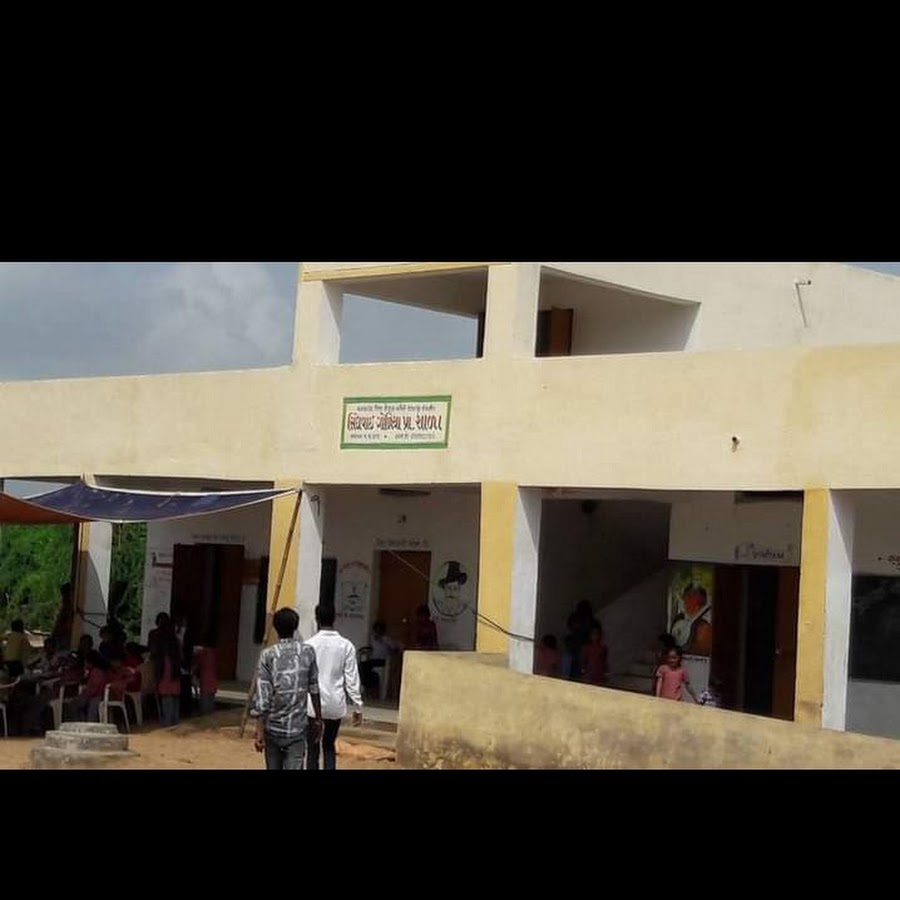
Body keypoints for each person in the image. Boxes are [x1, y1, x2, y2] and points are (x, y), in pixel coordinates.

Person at [251, 607, 323, 771]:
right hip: (297, 729)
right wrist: (318, 719)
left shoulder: (268, 655)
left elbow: (263, 697)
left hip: (273, 729)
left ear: (275, 628)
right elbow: (314, 689)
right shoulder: (307, 652)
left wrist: (259, 730)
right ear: (296, 627)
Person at [305, 604, 363, 770]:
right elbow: (352, 679)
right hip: (335, 704)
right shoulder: (346, 645)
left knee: (312, 748)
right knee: (329, 745)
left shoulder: (309, 645)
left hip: (312, 705)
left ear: (317, 618)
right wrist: (357, 706)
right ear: (334, 618)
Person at [360, 621, 403, 698]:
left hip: (383, 660)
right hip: (373, 660)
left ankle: (371, 688)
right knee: (362, 666)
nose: (377, 632)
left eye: (379, 630)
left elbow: (396, 648)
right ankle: (369, 687)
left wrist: (392, 652)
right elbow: (371, 647)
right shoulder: (372, 638)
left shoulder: (386, 639)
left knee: (366, 666)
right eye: (376, 630)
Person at [153, 621, 183, 727]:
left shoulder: (161, 642)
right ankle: (175, 721)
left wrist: (157, 677)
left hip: (165, 671)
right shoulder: (176, 642)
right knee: (175, 698)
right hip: (175, 671)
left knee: (166, 698)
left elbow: (157, 660)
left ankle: (167, 722)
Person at [194, 645, 218, 715]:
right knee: (210, 702)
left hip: (205, 683)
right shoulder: (213, 653)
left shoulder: (201, 653)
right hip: (212, 682)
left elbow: (197, 665)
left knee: (205, 704)